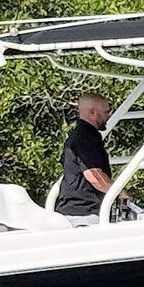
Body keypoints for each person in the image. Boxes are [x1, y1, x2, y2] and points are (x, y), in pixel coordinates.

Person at [54, 92, 114, 224]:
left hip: (77, 212)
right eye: (106, 112)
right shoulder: (85, 138)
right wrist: (119, 193)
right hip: (83, 214)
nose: (108, 116)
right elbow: (94, 175)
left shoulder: (82, 135)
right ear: (93, 113)